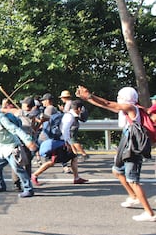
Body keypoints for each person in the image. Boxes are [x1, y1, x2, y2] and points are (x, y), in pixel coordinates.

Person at [76, 85, 156, 222]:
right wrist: (88, 99)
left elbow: (108, 103)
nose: (118, 99)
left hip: (133, 146)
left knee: (133, 179)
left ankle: (149, 213)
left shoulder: (131, 108)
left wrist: (89, 95)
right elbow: (106, 106)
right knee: (117, 170)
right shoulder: (129, 108)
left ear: (126, 98)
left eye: (120, 97)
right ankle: (134, 197)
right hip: (126, 143)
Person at [0, 97, 37, 198]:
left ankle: (28, 189)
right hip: (2, 148)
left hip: (12, 147)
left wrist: (27, 141)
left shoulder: (1, 118)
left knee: (18, 169)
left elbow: (15, 130)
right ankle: (1, 185)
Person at [31, 100, 89, 186]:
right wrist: (67, 143)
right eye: (81, 109)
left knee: (74, 157)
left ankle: (76, 178)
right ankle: (34, 175)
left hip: (62, 141)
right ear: (79, 108)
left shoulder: (69, 115)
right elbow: (65, 130)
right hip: (60, 142)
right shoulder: (70, 117)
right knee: (52, 161)